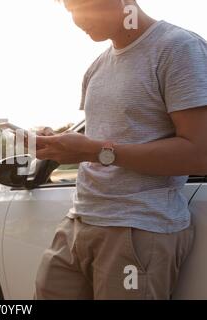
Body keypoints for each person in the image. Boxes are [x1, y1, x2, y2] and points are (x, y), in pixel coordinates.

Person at [33, 0, 207, 299]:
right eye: (70, 11)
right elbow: (106, 136)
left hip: (138, 228)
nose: (77, 20)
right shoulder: (96, 67)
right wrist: (58, 142)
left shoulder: (179, 49)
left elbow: (199, 154)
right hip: (79, 221)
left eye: (84, 7)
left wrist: (93, 151)